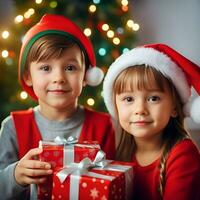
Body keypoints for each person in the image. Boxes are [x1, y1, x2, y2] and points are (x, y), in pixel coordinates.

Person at [0, 14, 116, 200]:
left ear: (86, 75)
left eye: (70, 68)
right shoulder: (13, 126)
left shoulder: (105, 126)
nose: (58, 78)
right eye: (46, 68)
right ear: (28, 76)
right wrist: (15, 176)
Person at [102, 43, 200, 200]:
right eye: (128, 99)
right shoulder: (119, 152)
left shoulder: (183, 154)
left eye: (153, 98)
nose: (140, 109)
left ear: (174, 107)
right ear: (116, 107)